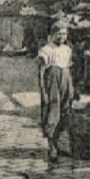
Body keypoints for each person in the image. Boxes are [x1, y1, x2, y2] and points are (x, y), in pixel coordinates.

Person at [37, 21, 77, 165]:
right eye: (59, 34)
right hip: (52, 80)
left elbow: (69, 69)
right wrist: (43, 91)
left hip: (65, 79)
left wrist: (71, 87)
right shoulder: (46, 50)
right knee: (53, 112)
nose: (62, 37)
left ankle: (57, 142)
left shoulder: (67, 50)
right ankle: (51, 146)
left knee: (65, 111)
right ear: (53, 34)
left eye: (64, 34)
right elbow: (41, 73)